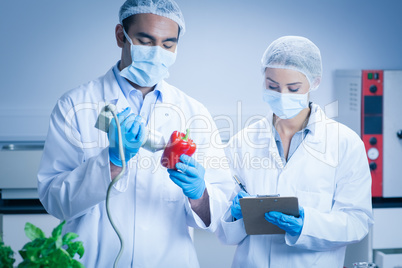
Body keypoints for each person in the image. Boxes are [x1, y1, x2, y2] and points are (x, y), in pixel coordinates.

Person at [37, 0, 234, 267]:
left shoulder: (192, 111)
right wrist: (112, 163)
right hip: (97, 261)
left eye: (168, 45)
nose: (157, 52)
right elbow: (54, 201)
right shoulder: (75, 105)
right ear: (121, 36)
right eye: (145, 40)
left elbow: (221, 213)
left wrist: (199, 194)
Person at [216, 36, 374, 267]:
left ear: (315, 82)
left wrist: (307, 225)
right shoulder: (242, 142)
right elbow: (225, 233)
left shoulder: (345, 143)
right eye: (272, 86)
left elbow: (357, 221)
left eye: (293, 88)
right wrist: (233, 216)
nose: (281, 95)